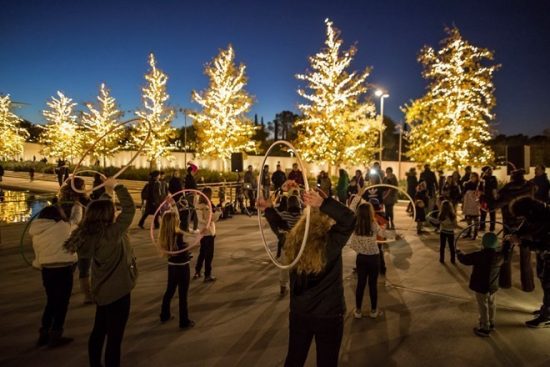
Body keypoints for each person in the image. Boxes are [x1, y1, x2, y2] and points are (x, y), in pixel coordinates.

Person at [259, 189, 355, 367]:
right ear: (326, 221)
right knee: (327, 361)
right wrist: (324, 204)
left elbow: (281, 229)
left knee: (295, 358)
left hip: (300, 312)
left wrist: (269, 210)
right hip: (329, 314)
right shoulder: (331, 242)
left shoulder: (294, 241)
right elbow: (350, 219)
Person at [64, 178, 137, 367]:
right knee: (114, 338)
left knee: (99, 331)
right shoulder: (112, 233)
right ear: (108, 215)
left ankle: (95, 364)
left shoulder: (90, 234)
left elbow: (105, 207)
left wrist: (108, 191)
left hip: (102, 290)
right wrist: (118, 186)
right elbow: (129, 208)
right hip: (119, 291)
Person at [30, 205, 79, 347]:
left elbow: (37, 251)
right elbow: (76, 222)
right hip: (63, 268)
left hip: (47, 270)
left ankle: (44, 332)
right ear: (57, 215)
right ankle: (56, 334)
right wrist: (77, 206)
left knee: (51, 301)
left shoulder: (37, 231)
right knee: (62, 303)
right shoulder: (62, 226)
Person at [509, 196, 550, 328]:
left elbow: (544, 243)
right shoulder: (534, 214)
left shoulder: (545, 219)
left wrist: (522, 242)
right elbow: (524, 227)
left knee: (549, 283)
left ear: (529, 212)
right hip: (544, 253)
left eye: (523, 217)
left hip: (548, 251)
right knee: (544, 279)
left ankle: (547, 316)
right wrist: (515, 234)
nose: (523, 220)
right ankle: (547, 308)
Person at [457, 232, 505, 337]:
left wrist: (459, 253)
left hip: (480, 286)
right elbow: (506, 252)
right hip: (493, 286)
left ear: (483, 243)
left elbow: (464, 260)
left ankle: (484, 328)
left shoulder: (479, 255)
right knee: (492, 304)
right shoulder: (500, 256)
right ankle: (491, 322)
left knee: (483, 306)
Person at [496, 169, 536, 290]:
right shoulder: (530, 187)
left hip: (510, 225)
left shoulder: (506, 190)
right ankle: (528, 285)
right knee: (525, 256)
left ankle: (505, 282)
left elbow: (494, 205)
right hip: (526, 224)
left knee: (506, 254)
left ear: (512, 178)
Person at [348, 201, 386, 319]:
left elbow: (350, 209)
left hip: (361, 258)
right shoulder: (373, 224)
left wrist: (357, 197)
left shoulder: (356, 225)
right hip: (374, 258)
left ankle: (358, 311)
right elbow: (383, 234)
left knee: (360, 284)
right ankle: (374, 311)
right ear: (370, 213)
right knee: (372, 285)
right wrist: (394, 234)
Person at [158, 211, 195, 329]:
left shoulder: (165, 235)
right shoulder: (178, 235)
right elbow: (184, 249)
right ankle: (184, 321)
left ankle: (164, 314)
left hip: (172, 266)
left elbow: (178, 250)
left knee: (169, 290)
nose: (179, 219)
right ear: (175, 221)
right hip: (182, 267)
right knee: (183, 295)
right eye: (177, 218)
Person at [59, 177, 91, 304]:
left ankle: (64, 290)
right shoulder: (79, 203)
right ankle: (87, 296)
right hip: (80, 237)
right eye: (83, 185)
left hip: (68, 237)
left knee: (70, 266)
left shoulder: (62, 201)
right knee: (84, 267)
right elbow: (76, 221)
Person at [193, 187, 221, 282]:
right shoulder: (204, 206)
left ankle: (197, 271)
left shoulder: (201, 205)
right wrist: (218, 213)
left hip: (204, 232)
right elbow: (209, 218)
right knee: (208, 254)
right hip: (208, 233)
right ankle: (207, 275)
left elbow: (202, 219)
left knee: (202, 253)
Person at [462, 172, 481, 240]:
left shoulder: (479, 184)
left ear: (476, 177)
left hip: (475, 203)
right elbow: (464, 192)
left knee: (476, 219)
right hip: (468, 202)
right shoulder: (467, 184)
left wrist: (476, 193)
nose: (472, 178)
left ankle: (475, 233)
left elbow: (480, 192)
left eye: (474, 176)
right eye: (471, 176)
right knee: (468, 218)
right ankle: (469, 232)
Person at [480, 166, 498, 232]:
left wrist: (495, 197)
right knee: (483, 213)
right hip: (484, 198)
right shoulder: (482, 178)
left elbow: (495, 188)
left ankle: (492, 227)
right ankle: (482, 226)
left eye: (490, 170)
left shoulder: (493, 178)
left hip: (491, 198)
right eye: (488, 170)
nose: (490, 171)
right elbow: (480, 188)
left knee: (492, 213)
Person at [184, 163, 199, 231]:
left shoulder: (191, 177)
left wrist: (190, 164)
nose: (195, 172)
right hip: (190, 195)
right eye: (194, 171)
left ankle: (193, 227)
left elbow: (196, 167)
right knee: (191, 211)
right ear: (191, 171)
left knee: (193, 211)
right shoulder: (189, 178)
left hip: (193, 195)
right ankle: (188, 227)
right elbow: (189, 187)